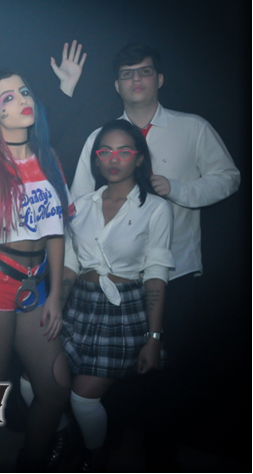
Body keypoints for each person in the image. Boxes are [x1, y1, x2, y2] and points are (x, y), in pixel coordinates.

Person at [70, 43, 240, 368]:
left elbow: (229, 178)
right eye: (127, 74)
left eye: (145, 72)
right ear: (116, 85)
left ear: (159, 79)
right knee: (110, 368)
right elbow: (78, 204)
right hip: (115, 275)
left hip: (176, 269)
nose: (136, 80)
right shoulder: (100, 138)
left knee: (164, 363)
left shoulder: (192, 127)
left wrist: (179, 189)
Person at [0, 70, 74, 471]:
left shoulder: (49, 159)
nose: (23, 99)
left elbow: (56, 231)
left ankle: (33, 461)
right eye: (8, 98)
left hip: (35, 287)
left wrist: (55, 294)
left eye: (24, 91)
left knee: (56, 387)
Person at [61, 119, 174, 470]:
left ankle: (94, 456)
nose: (113, 159)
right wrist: (54, 306)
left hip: (123, 311)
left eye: (124, 151)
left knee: (82, 398)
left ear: (138, 159)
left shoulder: (155, 208)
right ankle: (62, 436)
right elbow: (69, 265)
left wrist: (153, 338)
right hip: (78, 306)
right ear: (96, 159)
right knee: (36, 384)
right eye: (105, 151)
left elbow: (156, 276)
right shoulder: (81, 205)